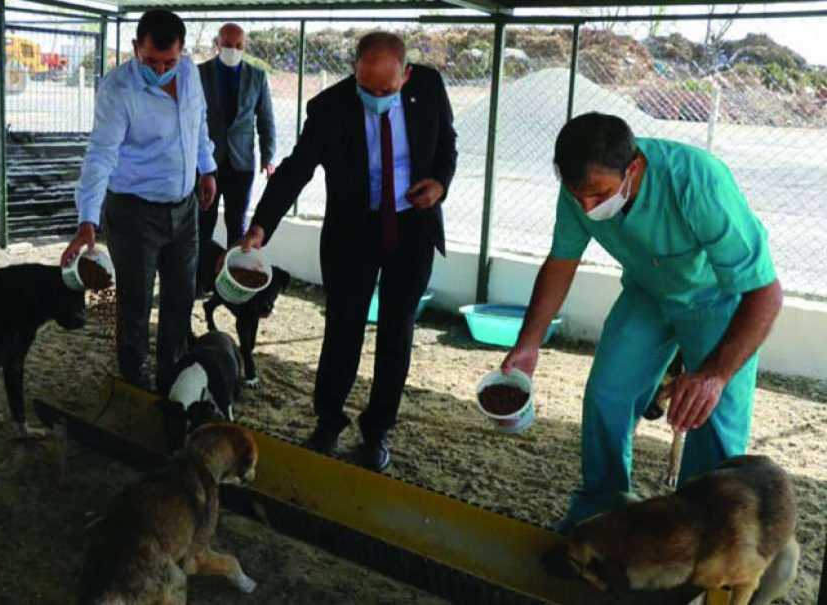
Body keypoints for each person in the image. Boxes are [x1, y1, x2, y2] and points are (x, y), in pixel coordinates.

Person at [501, 112, 782, 533]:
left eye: (599, 195)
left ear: (633, 168)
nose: (588, 207)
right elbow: (561, 261)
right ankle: (602, 506)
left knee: (711, 415)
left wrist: (713, 375)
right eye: (578, 196)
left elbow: (765, 294)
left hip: (719, 298)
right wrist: (529, 343)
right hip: (648, 291)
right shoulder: (580, 186)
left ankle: (701, 532)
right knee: (607, 392)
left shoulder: (697, 182)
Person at [236, 32, 457, 472]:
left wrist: (440, 184)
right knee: (342, 328)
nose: (375, 97)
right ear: (354, 70)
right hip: (352, 232)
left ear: (406, 75)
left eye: (386, 90)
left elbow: (447, 144)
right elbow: (296, 169)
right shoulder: (329, 107)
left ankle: (376, 432)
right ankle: (328, 421)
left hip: (411, 227)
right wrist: (261, 225)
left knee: (397, 331)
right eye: (365, 87)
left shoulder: (429, 88)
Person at [61, 9, 217, 393]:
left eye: (169, 60)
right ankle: (134, 382)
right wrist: (88, 221)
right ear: (135, 48)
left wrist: (207, 168)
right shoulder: (118, 90)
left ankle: (173, 378)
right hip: (133, 212)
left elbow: (199, 123)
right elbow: (100, 155)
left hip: (183, 208)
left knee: (181, 298)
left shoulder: (189, 73)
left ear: (182, 51)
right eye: (150, 61)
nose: (160, 69)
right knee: (135, 303)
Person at [196, 23, 276, 294]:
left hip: (241, 163)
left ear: (245, 47)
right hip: (207, 162)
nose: (233, 50)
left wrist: (269, 156)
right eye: (227, 45)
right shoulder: (200, 73)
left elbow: (266, 120)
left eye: (238, 46)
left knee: (237, 223)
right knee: (202, 221)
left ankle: (231, 280)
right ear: (218, 44)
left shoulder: (257, 76)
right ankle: (200, 279)